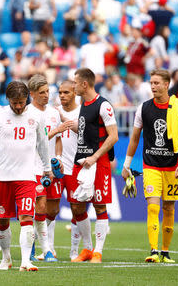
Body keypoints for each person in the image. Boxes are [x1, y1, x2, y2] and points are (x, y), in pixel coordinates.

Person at [0, 80, 53, 271]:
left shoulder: (37, 116)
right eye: (15, 103)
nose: (19, 106)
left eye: (22, 102)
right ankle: (6, 258)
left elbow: (43, 144)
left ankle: (25, 261)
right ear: (8, 100)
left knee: (26, 218)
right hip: (4, 175)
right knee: (3, 219)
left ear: (27, 99)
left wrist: (47, 168)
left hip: (27, 176)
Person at [122, 69, 178, 263]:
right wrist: (126, 165)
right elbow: (135, 138)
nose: (152, 86)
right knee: (153, 208)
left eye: (156, 83)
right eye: (151, 83)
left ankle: (165, 252)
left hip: (172, 165)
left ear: (166, 85)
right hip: (150, 165)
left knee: (168, 208)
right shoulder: (143, 108)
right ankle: (153, 251)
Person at [68, 68, 118, 263]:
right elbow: (87, 130)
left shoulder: (103, 105)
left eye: (75, 82)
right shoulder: (83, 104)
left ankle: (98, 251)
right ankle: (87, 249)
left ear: (84, 84)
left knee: (99, 205)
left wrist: (95, 156)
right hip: (81, 161)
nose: (73, 86)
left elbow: (113, 136)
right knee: (77, 206)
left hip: (98, 162)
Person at [27, 74, 69, 262]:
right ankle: (44, 248)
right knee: (40, 207)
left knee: (52, 210)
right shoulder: (27, 113)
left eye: (47, 91)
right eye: (42, 92)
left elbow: (58, 140)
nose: (46, 95)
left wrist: (58, 157)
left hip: (52, 167)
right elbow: (34, 142)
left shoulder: (53, 112)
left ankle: (39, 241)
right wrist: (56, 131)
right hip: (35, 167)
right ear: (32, 94)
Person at [54, 80, 82, 260]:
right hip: (56, 166)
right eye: (60, 92)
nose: (62, 95)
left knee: (76, 209)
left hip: (75, 166)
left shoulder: (83, 111)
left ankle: (74, 250)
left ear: (75, 92)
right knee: (50, 209)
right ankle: (48, 249)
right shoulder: (53, 111)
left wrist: (67, 122)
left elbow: (88, 134)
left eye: (66, 92)